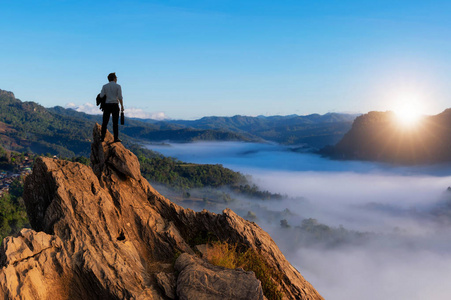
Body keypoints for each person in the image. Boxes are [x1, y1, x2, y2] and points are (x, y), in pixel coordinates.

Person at [99, 72, 124, 142]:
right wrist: (122, 106)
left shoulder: (105, 86)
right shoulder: (118, 86)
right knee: (115, 123)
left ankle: (102, 137)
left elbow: (101, 96)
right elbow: (120, 97)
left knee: (105, 122)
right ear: (114, 78)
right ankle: (115, 138)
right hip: (115, 105)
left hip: (107, 105)